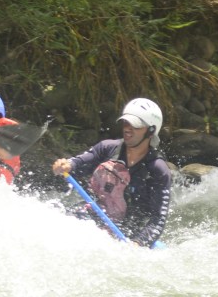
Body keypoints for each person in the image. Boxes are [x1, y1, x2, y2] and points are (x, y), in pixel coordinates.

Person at [51, 97, 172, 246]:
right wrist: (66, 165)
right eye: (126, 122)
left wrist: (138, 243)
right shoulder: (107, 148)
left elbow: (158, 219)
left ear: (151, 130)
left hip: (124, 234)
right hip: (89, 219)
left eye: (135, 125)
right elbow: (78, 164)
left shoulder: (158, 170)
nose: (127, 128)